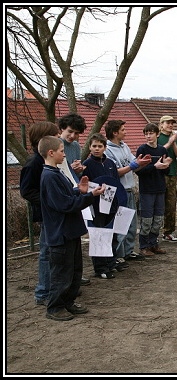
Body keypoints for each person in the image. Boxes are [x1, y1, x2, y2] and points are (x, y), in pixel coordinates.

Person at [38, 135, 105, 321]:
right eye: (61, 151)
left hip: (71, 231)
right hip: (61, 233)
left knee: (75, 270)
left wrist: (79, 191)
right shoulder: (49, 176)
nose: (64, 154)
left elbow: (67, 196)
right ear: (51, 153)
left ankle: (68, 302)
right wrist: (90, 196)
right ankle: (55, 307)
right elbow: (64, 204)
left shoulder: (57, 173)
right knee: (62, 273)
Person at [19, 121, 61, 306]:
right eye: (55, 134)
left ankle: (54, 287)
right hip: (46, 214)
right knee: (46, 252)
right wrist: (49, 201)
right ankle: (43, 292)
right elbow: (26, 191)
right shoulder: (34, 162)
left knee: (54, 252)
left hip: (53, 213)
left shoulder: (45, 159)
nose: (59, 136)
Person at [104, 120, 151, 263]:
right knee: (120, 224)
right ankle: (118, 254)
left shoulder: (125, 146)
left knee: (131, 223)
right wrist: (133, 165)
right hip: (119, 191)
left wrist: (142, 164)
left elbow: (134, 164)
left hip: (130, 188)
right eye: (123, 130)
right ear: (115, 132)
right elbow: (114, 172)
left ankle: (129, 251)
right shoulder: (107, 150)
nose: (126, 132)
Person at [81, 133, 123, 278]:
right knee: (98, 235)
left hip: (111, 204)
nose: (97, 149)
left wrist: (118, 203)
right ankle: (100, 268)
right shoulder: (86, 165)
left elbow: (116, 183)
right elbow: (84, 186)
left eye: (100, 146)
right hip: (96, 206)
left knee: (112, 234)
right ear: (90, 147)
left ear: (105, 147)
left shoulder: (110, 163)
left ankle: (111, 262)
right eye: (94, 146)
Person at [58, 113, 90, 286]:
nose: (72, 136)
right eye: (70, 132)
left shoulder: (76, 146)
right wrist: (70, 169)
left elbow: (75, 172)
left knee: (76, 238)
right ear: (62, 129)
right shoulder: (56, 144)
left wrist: (79, 170)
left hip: (75, 191)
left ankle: (74, 275)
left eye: (76, 133)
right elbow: (57, 170)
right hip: (63, 194)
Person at [135, 123, 173, 256]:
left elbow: (166, 170)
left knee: (158, 219)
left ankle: (154, 243)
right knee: (146, 219)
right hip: (147, 189)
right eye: (146, 133)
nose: (148, 136)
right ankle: (143, 246)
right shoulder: (142, 149)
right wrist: (154, 167)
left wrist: (166, 165)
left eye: (151, 133)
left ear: (157, 134)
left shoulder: (162, 150)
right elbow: (138, 171)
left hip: (160, 188)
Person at [157, 115, 177, 243]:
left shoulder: (173, 137)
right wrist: (170, 142)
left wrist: (174, 143)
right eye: (168, 123)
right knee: (158, 204)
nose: (170, 125)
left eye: (172, 123)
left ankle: (169, 231)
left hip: (172, 173)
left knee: (171, 204)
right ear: (161, 124)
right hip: (160, 174)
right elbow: (159, 151)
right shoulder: (157, 137)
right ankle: (155, 231)